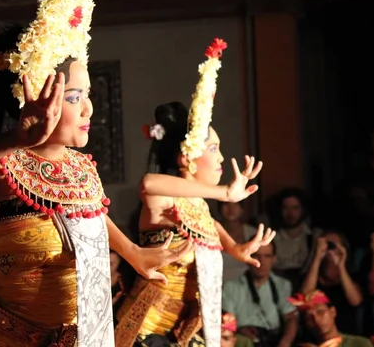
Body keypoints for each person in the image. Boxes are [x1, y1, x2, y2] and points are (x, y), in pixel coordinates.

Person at [0, 0, 191, 346]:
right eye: (73, 97)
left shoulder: (82, 167)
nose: (88, 108)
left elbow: (91, 221)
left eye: (89, 94)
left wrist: (133, 252)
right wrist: (14, 139)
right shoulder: (4, 164)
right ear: (28, 98)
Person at [115, 39, 275, 347]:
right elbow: (148, 182)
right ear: (186, 157)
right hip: (144, 332)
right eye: (213, 149)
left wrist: (234, 248)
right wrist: (223, 193)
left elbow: (207, 227)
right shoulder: (162, 198)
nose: (219, 158)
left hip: (182, 330)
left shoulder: (199, 203)